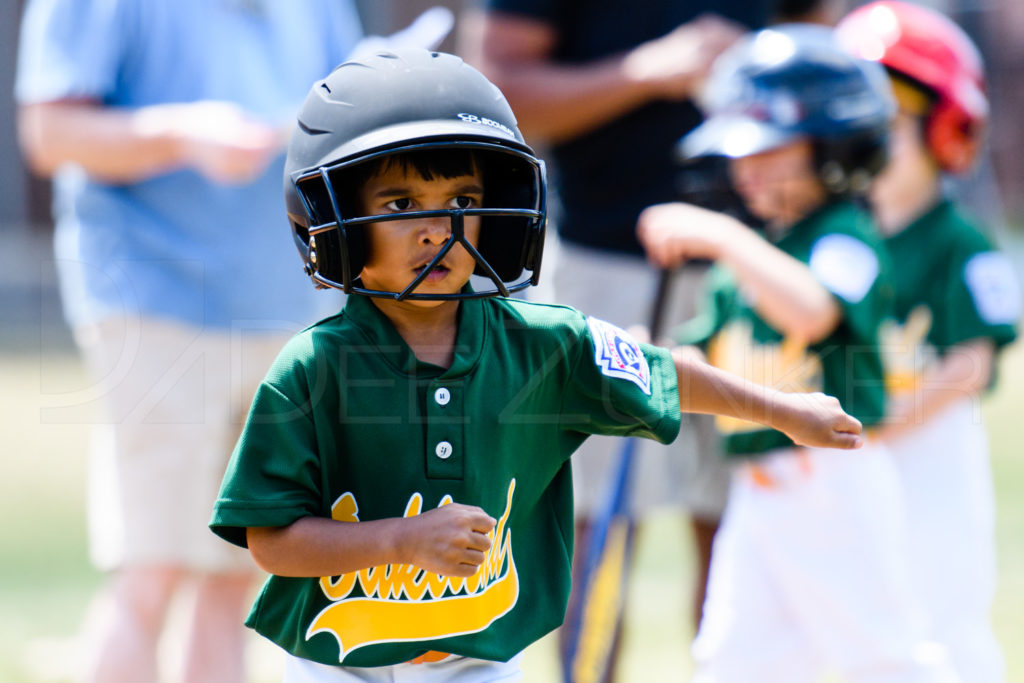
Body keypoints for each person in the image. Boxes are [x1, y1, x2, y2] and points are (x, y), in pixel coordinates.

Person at [208, 48, 864, 683]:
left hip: (478, 659)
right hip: (337, 661)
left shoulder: (542, 344)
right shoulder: (311, 367)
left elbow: (662, 372)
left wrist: (783, 409)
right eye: (401, 205)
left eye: (463, 202)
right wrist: (402, 540)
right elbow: (272, 539)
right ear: (334, 218)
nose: (440, 230)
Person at [14, 1, 363, 681]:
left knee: (237, 575)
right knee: (152, 569)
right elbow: (48, 131)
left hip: (288, 306)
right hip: (157, 300)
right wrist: (180, 134)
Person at [637, 25, 958, 682]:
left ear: (834, 146)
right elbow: (702, 353)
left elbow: (811, 310)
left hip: (833, 482)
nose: (744, 170)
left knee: (883, 654)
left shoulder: (844, 235)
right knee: (733, 659)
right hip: (757, 493)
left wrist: (721, 236)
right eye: (737, 153)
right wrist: (645, 356)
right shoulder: (747, 266)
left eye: (768, 150)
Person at [459, 5, 770, 658]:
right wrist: (647, 72)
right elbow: (495, 93)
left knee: (748, 528)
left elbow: (821, 40)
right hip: (606, 266)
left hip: (755, 266)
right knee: (593, 530)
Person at [838, 4, 1021, 682]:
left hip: (932, 453)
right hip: (860, 459)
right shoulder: (840, 241)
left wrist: (886, 420)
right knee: (868, 626)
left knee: (943, 622)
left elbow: (973, 360)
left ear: (944, 130)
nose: (873, 146)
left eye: (891, 126)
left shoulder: (958, 241)